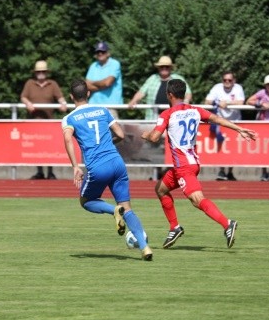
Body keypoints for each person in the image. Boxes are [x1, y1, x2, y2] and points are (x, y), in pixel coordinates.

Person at [141, 79, 257, 250]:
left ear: (170, 95)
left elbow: (154, 138)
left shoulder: (167, 114)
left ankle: (227, 224)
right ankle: (174, 227)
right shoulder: (195, 110)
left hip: (183, 167)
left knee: (197, 200)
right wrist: (238, 128)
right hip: (191, 163)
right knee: (160, 189)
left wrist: (145, 134)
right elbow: (217, 118)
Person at [62, 79, 152, 261]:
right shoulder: (102, 110)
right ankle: (145, 247)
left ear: (71, 96)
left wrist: (75, 167)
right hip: (117, 163)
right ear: (88, 93)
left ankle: (113, 211)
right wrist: (109, 144)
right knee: (128, 208)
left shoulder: (69, 118)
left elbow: (67, 139)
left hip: (97, 167)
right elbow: (120, 134)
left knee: (86, 201)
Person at [127, 55, 192, 180]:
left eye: (167, 67)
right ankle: (157, 172)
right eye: (162, 67)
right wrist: (133, 101)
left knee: (171, 147)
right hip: (155, 118)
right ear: (158, 68)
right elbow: (142, 92)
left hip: (174, 119)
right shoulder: (152, 79)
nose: (164, 69)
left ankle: (167, 173)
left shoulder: (178, 79)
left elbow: (188, 93)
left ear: (170, 68)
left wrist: (185, 104)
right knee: (154, 146)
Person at [20, 60, 68, 180]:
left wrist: (63, 104)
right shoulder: (30, 83)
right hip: (34, 121)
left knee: (49, 147)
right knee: (36, 147)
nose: (40, 74)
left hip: (48, 122)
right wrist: (28, 103)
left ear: (46, 72)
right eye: (38, 72)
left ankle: (50, 171)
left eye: (43, 71)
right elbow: (23, 97)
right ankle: (39, 171)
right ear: (35, 73)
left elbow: (60, 97)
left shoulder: (52, 84)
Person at [204, 71, 246, 181]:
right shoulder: (217, 88)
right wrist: (218, 102)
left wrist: (227, 103)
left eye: (229, 80)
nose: (227, 82)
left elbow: (241, 102)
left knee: (233, 148)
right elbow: (207, 101)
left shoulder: (238, 88)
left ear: (234, 81)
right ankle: (221, 170)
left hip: (234, 122)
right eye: (225, 80)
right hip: (220, 122)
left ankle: (230, 172)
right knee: (221, 147)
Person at [85, 41, 123, 118]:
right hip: (93, 106)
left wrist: (93, 83)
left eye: (103, 51)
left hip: (110, 107)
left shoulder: (115, 64)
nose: (100, 53)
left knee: (112, 130)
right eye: (98, 51)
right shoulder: (93, 66)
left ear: (108, 53)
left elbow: (108, 83)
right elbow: (86, 86)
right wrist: (102, 85)